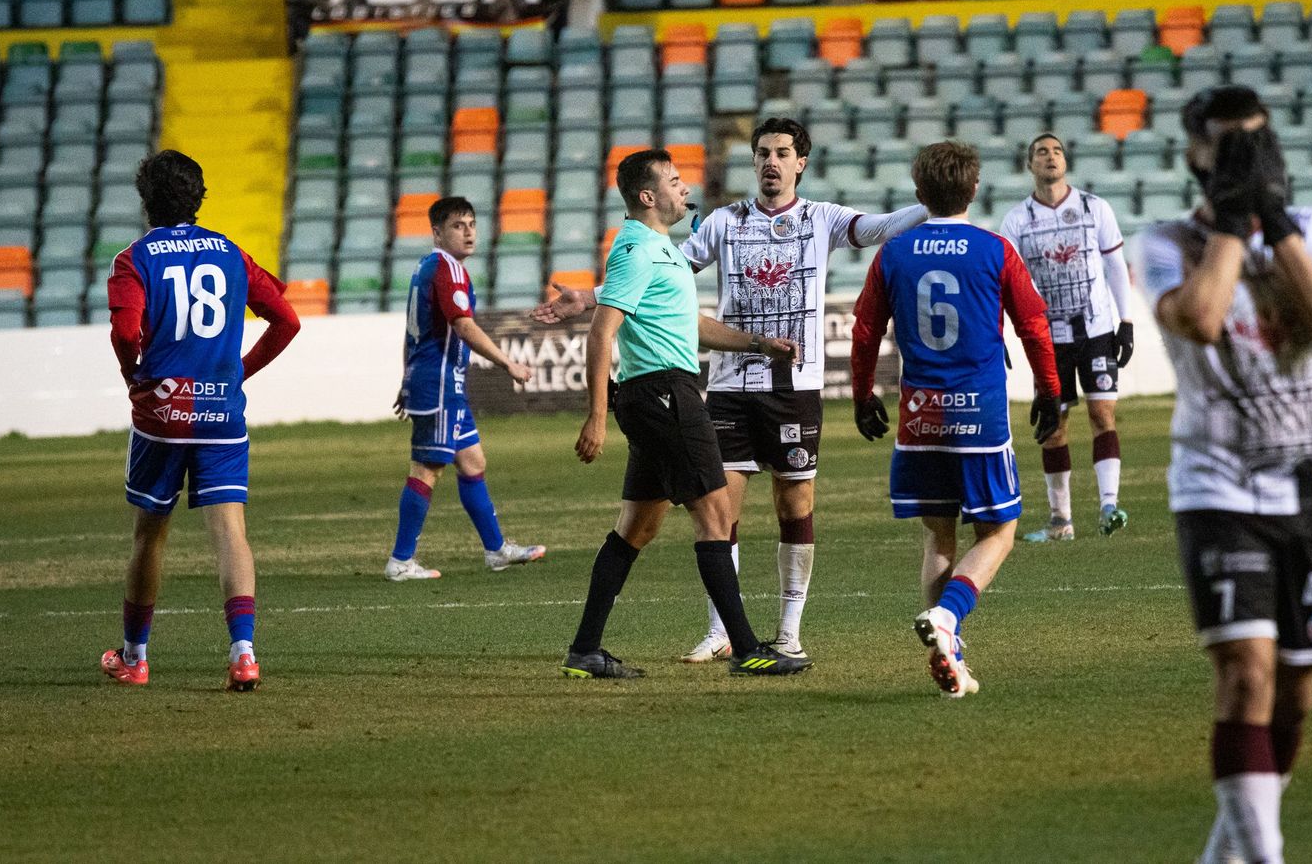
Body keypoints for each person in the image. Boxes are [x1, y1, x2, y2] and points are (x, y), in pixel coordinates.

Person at [535, 117, 927, 664]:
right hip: (700, 392)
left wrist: (935, 203)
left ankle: (598, 647)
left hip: (782, 385)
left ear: (800, 162)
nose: (771, 161)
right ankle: (737, 641)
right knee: (720, 515)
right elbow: (629, 296)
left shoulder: (817, 220)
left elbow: (680, 308)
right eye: (762, 152)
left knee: (658, 523)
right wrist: (593, 311)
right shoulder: (713, 226)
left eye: (782, 152)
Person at [1137, 86, 1312, 864]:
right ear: (1195, 154)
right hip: (1218, 484)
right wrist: (1233, 217)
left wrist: (1276, 218)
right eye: (1230, 146)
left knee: (1296, 688)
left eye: (1256, 143)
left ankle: (1226, 854)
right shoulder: (1162, 242)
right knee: (1246, 672)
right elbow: (1199, 316)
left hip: (1307, 487)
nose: (1245, 159)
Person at [561, 148, 813, 679]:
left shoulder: (663, 249)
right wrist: (596, 416)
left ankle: (585, 650)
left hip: (657, 396)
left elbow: (690, 323)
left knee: (636, 527)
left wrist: (755, 343)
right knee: (716, 517)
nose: (685, 189)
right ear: (648, 196)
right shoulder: (634, 251)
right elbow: (602, 331)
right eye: (675, 182)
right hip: (665, 395)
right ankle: (746, 649)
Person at [850, 141, 1061, 699]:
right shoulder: (995, 249)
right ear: (974, 189)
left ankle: (951, 653)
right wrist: (1051, 389)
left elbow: (866, 331)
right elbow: (1034, 326)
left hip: (920, 415)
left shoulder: (894, 253)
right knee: (999, 531)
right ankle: (948, 617)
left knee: (939, 538)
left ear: (919, 194)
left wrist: (861, 394)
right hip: (981, 414)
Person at [101, 149, 301, 691]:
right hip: (222, 414)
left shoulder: (134, 259)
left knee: (150, 536)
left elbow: (125, 331)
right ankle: (244, 654)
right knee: (231, 532)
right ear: (199, 197)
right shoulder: (231, 253)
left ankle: (135, 658)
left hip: (163, 414)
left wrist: (132, 374)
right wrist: (238, 372)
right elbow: (286, 319)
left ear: (147, 200)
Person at [385, 196, 545, 581]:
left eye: (472, 223)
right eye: (459, 225)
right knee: (427, 469)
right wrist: (508, 362)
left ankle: (496, 551)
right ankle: (401, 561)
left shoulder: (429, 267)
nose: (469, 231)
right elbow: (463, 325)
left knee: (473, 462)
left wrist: (407, 380)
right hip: (439, 386)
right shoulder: (447, 268)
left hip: (439, 384)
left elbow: (415, 332)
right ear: (437, 232)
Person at [998, 132, 1135, 542]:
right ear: (1030, 164)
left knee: (1102, 414)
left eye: (1057, 150)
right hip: (1047, 338)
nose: (1051, 156)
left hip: (1095, 329)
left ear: (1066, 161)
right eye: (1041, 151)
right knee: (1054, 425)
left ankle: (1109, 505)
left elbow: (1115, 266)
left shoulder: (1095, 208)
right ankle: (1062, 522)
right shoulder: (1017, 219)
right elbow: (1004, 282)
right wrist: (998, 330)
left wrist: (1125, 321)